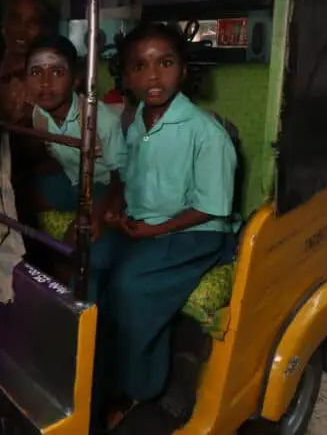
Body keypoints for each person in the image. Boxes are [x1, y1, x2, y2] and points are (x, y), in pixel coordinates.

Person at [93, 22, 237, 426]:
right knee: (95, 261)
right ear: (128, 77)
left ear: (184, 70)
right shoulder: (138, 122)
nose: (153, 75)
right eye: (140, 66)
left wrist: (155, 231)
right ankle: (99, 367)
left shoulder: (205, 133)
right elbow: (124, 173)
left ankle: (143, 388)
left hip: (196, 233)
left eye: (165, 62)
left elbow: (213, 207)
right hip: (145, 227)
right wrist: (116, 208)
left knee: (132, 287)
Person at [24, 34, 125, 225]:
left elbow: (121, 176)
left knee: (80, 237)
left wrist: (103, 210)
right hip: (72, 181)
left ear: (76, 80)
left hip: (104, 184)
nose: (45, 83)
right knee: (19, 200)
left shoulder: (101, 120)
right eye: (36, 72)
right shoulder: (38, 115)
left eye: (57, 72)